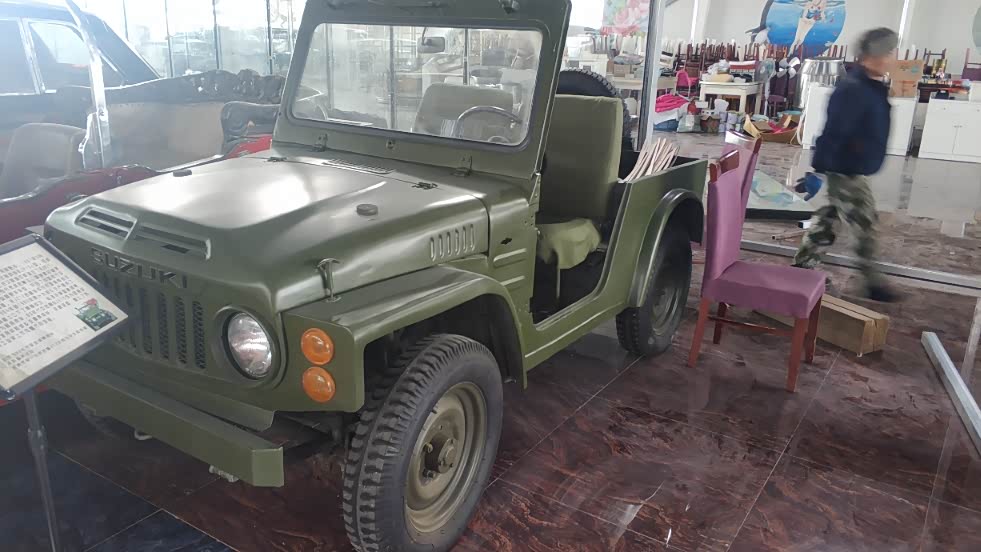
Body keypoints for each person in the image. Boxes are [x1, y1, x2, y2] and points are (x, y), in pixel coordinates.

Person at [793, 27, 901, 302]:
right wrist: (819, 169)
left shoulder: (870, 86)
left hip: (853, 165)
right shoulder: (854, 89)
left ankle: (803, 265)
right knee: (864, 223)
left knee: (829, 218)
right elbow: (834, 132)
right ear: (872, 56)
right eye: (888, 52)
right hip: (846, 168)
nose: (891, 58)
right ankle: (872, 282)